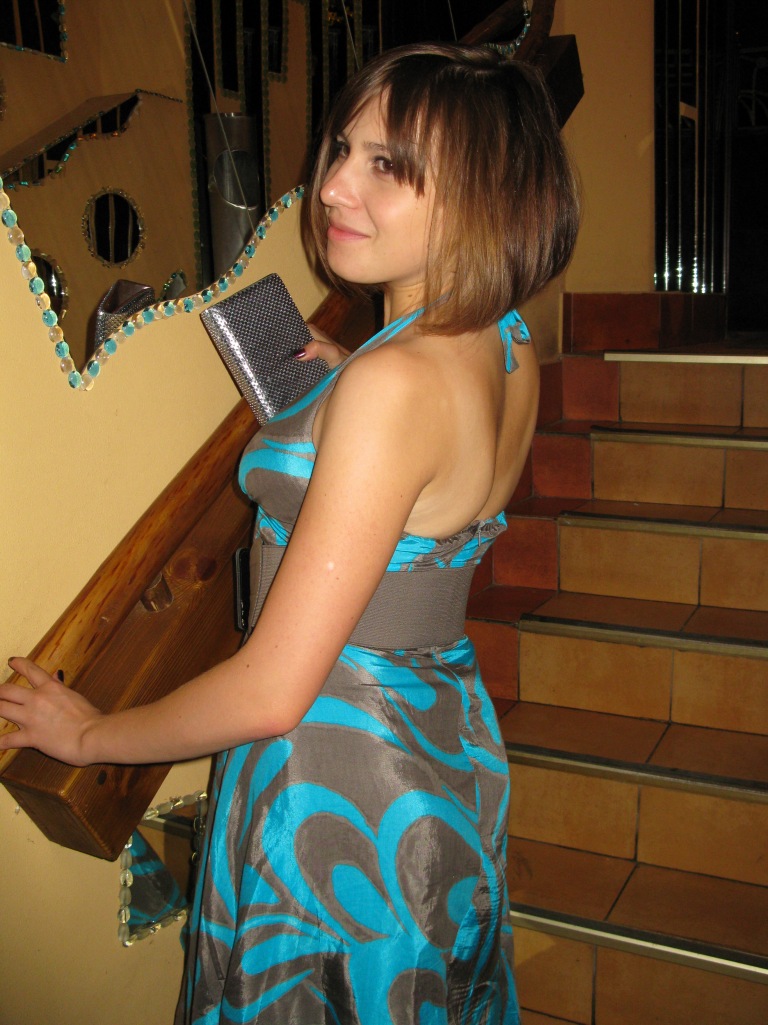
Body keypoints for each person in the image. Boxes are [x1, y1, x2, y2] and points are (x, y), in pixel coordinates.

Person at [1, 42, 578, 1025]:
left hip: (340, 787)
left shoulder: (393, 388)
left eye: (387, 165)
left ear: (483, 198)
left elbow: (272, 690)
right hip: (442, 745)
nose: (334, 186)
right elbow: (436, 470)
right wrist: (349, 370)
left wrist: (90, 733)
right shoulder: (505, 341)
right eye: (342, 148)